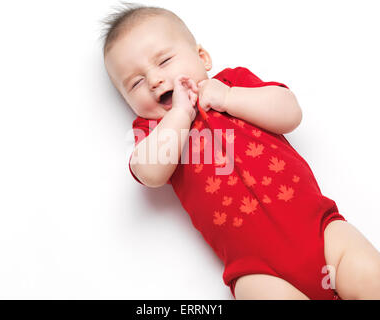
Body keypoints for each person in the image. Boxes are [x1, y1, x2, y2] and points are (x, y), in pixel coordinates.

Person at [102, 3, 380, 299]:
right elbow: (149, 173)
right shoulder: (154, 131)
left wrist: (229, 96)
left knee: (369, 274)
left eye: (165, 61)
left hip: (321, 234)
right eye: (136, 83)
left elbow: (290, 112)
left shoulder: (234, 83)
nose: (155, 80)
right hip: (257, 271)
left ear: (202, 57)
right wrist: (180, 114)